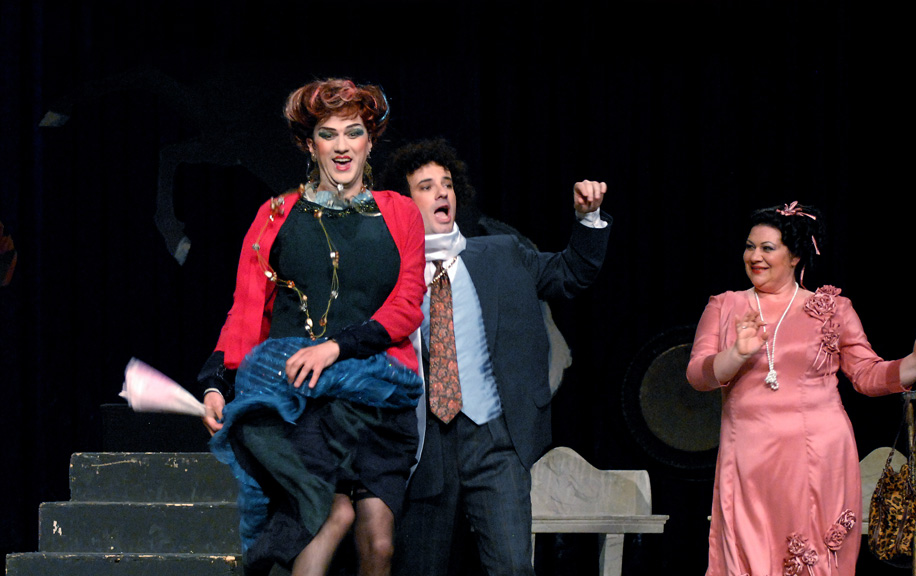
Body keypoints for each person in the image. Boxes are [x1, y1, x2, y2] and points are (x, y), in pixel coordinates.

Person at [195, 78, 426, 576]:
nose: (342, 146)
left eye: (354, 132)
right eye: (328, 133)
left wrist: (336, 348)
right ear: (308, 143)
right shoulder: (275, 215)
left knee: (380, 542)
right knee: (328, 516)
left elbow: (408, 306)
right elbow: (247, 312)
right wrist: (217, 383)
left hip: (378, 398)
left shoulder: (400, 212)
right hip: (301, 399)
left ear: (370, 141)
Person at [382, 139, 610, 576]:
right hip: (426, 443)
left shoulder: (500, 254)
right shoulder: (393, 273)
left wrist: (588, 219)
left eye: (447, 184)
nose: (441, 192)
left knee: (512, 566)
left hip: (494, 438)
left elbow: (570, 272)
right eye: (426, 186)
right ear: (405, 203)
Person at [685, 201, 916, 576]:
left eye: (767, 248)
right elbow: (698, 375)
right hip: (748, 457)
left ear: (795, 256)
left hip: (819, 453)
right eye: (749, 246)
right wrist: (737, 353)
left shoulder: (832, 309)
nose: (755, 256)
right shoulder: (726, 306)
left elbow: (867, 375)